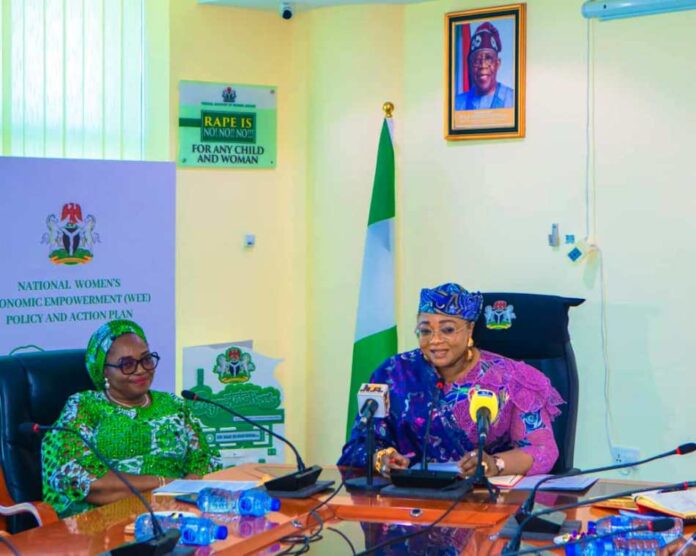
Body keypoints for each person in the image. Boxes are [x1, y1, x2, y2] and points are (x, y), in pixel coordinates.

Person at [338, 283, 563, 479]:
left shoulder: (512, 379)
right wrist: (383, 458)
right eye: (425, 331)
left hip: (482, 502)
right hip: (407, 500)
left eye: (447, 329)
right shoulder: (391, 374)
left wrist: (495, 464)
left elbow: (542, 449)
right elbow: (357, 446)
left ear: (470, 330)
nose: (435, 341)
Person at [42, 320, 222, 517]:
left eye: (146, 359)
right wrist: (164, 484)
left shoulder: (173, 404)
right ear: (104, 371)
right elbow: (78, 478)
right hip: (102, 523)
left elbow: (206, 459)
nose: (140, 369)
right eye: (127, 364)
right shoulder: (84, 406)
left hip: (174, 513)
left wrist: (183, 496)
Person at [455, 22, 515, 111]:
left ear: (497, 64)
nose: (483, 65)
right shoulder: (457, 104)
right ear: (470, 65)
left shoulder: (513, 100)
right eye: (477, 60)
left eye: (488, 58)